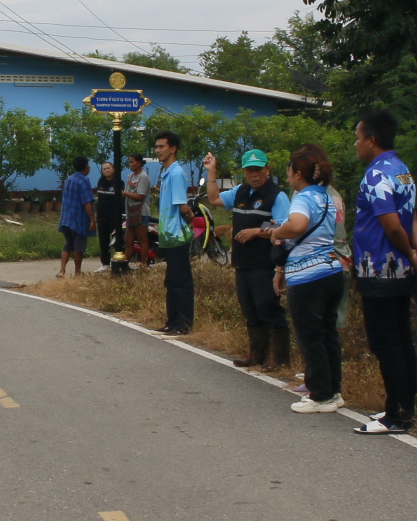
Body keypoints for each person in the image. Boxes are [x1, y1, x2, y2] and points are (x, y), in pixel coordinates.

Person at [352, 109, 417, 433]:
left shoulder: (376, 175)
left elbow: (393, 225)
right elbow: (412, 214)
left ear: (371, 140)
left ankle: (396, 415)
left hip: (380, 271)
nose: (355, 144)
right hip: (401, 271)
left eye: (358, 138)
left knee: (385, 343)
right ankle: (404, 405)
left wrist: (409, 251)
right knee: (401, 339)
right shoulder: (402, 170)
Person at [271, 145, 348, 412]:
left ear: (298, 173)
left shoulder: (303, 198)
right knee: (328, 335)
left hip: (307, 276)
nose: (288, 177)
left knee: (310, 337)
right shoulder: (326, 196)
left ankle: (319, 395)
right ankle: (333, 391)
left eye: (289, 172)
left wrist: (277, 232)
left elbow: (298, 225)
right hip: (331, 270)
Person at [202, 149, 291, 369]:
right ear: (244, 172)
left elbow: (285, 227)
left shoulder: (276, 195)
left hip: (265, 263)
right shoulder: (241, 192)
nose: (254, 174)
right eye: (250, 170)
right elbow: (214, 199)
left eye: (258, 169)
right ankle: (257, 355)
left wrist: (257, 232)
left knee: (268, 308)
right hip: (243, 263)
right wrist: (211, 172)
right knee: (250, 311)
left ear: (267, 169)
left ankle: (280, 360)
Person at [152, 131, 197, 335]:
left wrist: (189, 215)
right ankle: (172, 322)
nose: (158, 150)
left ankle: (183, 325)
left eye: (162, 146)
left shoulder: (177, 173)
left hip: (176, 235)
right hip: (168, 235)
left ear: (173, 149)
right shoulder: (166, 173)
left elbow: (182, 205)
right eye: (156, 147)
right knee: (171, 281)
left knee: (181, 282)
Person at [56, 156, 96, 277]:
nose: (89, 167)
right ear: (85, 166)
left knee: (68, 244)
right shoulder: (83, 181)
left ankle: (62, 271)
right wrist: (92, 219)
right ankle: (77, 272)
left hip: (66, 218)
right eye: (88, 164)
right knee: (79, 247)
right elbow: (87, 202)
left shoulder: (69, 179)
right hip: (78, 219)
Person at [123, 153, 153, 267]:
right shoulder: (129, 177)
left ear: (139, 163)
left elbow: (140, 196)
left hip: (141, 212)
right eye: (129, 162)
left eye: (132, 162)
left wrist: (125, 193)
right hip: (130, 212)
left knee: (142, 238)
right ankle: (124, 264)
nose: (130, 164)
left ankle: (143, 264)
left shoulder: (143, 177)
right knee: (128, 240)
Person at [93, 160, 124, 264]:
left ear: (113, 169)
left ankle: (119, 261)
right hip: (102, 216)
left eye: (108, 168)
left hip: (115, 216)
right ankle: (105, 263)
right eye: (104, 169)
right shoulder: (101, 181)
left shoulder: (119, 182)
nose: (106, 170)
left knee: (117, 240)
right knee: (103, 240)